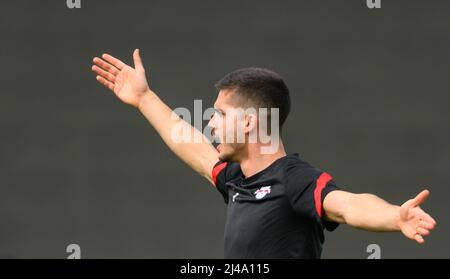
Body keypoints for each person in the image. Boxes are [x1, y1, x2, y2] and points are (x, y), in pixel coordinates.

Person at [91, 49, 437, 258]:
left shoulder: (293, 179)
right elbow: (192, 147)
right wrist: (144, 98)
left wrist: (395, 217)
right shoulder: (237, 181)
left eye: (221, 115)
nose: (211, 124)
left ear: (249, 124)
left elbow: (346, 206)